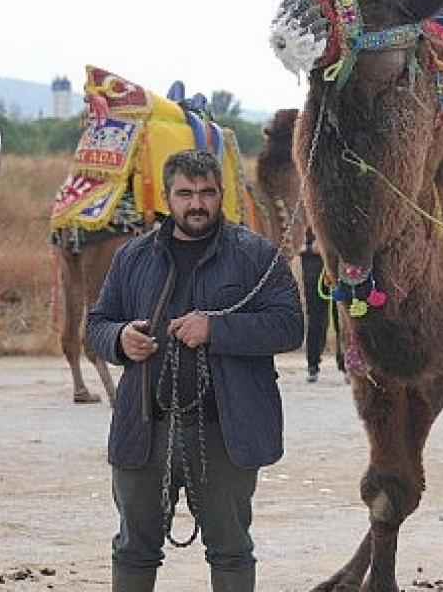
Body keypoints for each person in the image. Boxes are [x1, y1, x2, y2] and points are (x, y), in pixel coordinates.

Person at [85, 150, 303, 592]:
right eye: (185, 194)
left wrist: (217, 329)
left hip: (224, 431)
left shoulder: (256, 255)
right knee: (133, 550)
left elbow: (290, 326)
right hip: (145, 430)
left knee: (231, 551)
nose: (196, 203)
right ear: (167, 198)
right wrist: (120, 338)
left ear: (221, 194)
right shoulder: (133, 256)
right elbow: (96, 325)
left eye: (206, 193)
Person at [298, 227, 343, 383]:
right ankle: (313, 364)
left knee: (343, 315)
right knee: (316, 316)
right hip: (312, 255)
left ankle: (346, 363)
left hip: (339, 254)